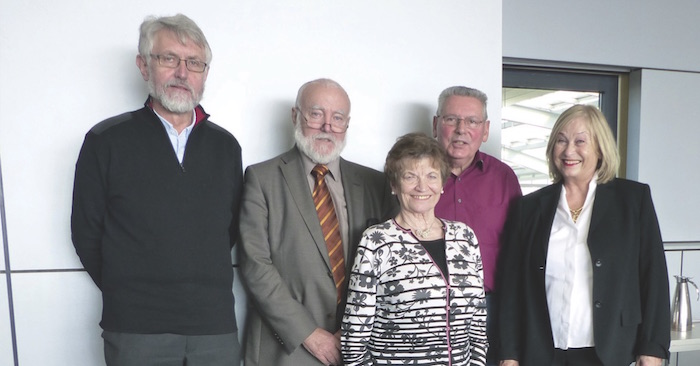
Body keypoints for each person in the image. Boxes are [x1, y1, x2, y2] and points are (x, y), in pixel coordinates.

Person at [71, 14, 242, 365]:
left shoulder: (227, 147)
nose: (182, 72)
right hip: (136, 330)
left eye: (194, 63)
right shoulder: (106, 140)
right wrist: (129, 290)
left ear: (205, 73)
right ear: (143, 65)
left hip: (214, 329)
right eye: (169, 59)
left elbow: (230, 230)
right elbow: (85, 232)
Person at [238, 78, 398, 366]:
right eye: (316, 114)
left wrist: (355, 331)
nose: (327, 126)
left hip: (359, 348)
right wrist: (308, 333)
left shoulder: (376, 183)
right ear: (295, 115)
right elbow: (255, 264)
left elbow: (390, 267)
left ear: (346, 124)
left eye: (337, 118)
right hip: (286, 348)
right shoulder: (262, 179)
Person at [498, 105, 670, 366]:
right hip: (542, 352)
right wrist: (508, 354)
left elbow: (653, 277)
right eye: (561, 141)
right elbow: (512, 288)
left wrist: (652, 348)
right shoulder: (529, 208)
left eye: (580, 141)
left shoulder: (633, 200)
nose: (569, 151)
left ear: (600, 148)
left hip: (609, 350)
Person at [342, 132, 488, 365]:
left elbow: (478, 327)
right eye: (410, 176)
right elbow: (353, 339)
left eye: (431, 176)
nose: (422, 186)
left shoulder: (465, 237)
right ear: (394, 184)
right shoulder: (376, 241)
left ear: (442, 184)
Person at [432, 86, 522, 364]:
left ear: (485, 130)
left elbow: (519, 253)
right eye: (451, 120)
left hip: (491, 309)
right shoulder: (415, 177)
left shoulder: (504, 178)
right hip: (429, 311)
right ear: (436, 125)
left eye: (472, 121)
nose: (461, 129)